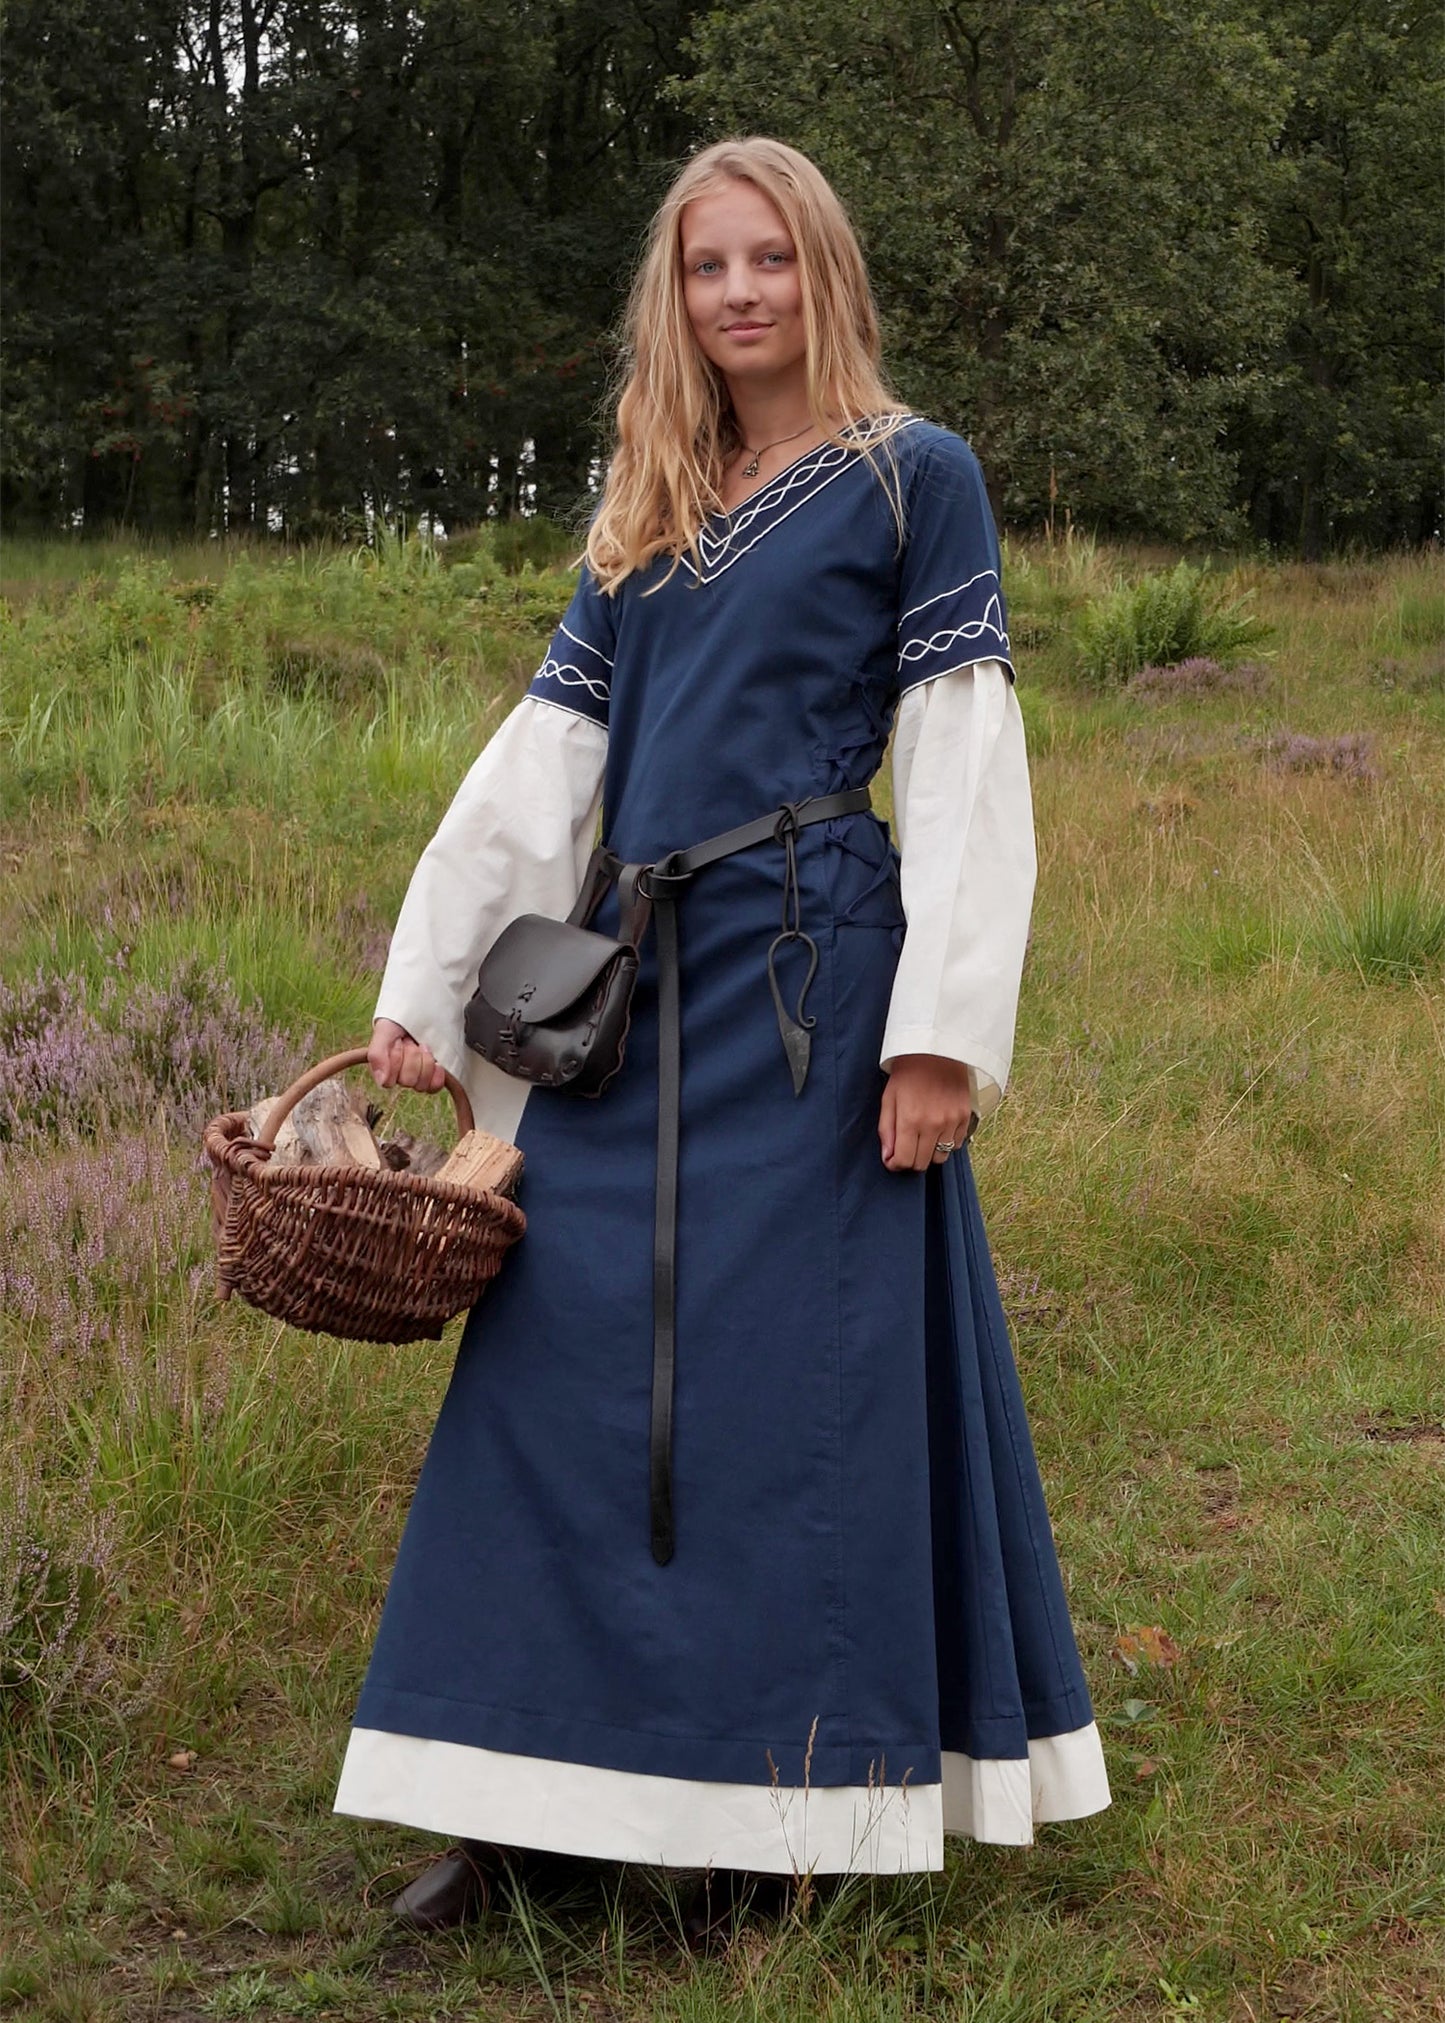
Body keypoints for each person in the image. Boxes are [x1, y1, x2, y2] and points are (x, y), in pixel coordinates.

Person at [337, 135, 1110, 1947]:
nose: (740, 291)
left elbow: (962, 761)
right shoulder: (651, 498)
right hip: (634, 981)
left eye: (769, 258)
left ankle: (791, 1821)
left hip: (816, 988)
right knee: (548, 1360)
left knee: (791, 1400)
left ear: (821, 271)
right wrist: (427, 980)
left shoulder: (913, 479)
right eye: (707, 267)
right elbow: (549, 757)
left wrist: (937, 1037)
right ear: (674, 298)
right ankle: (523, 1805)